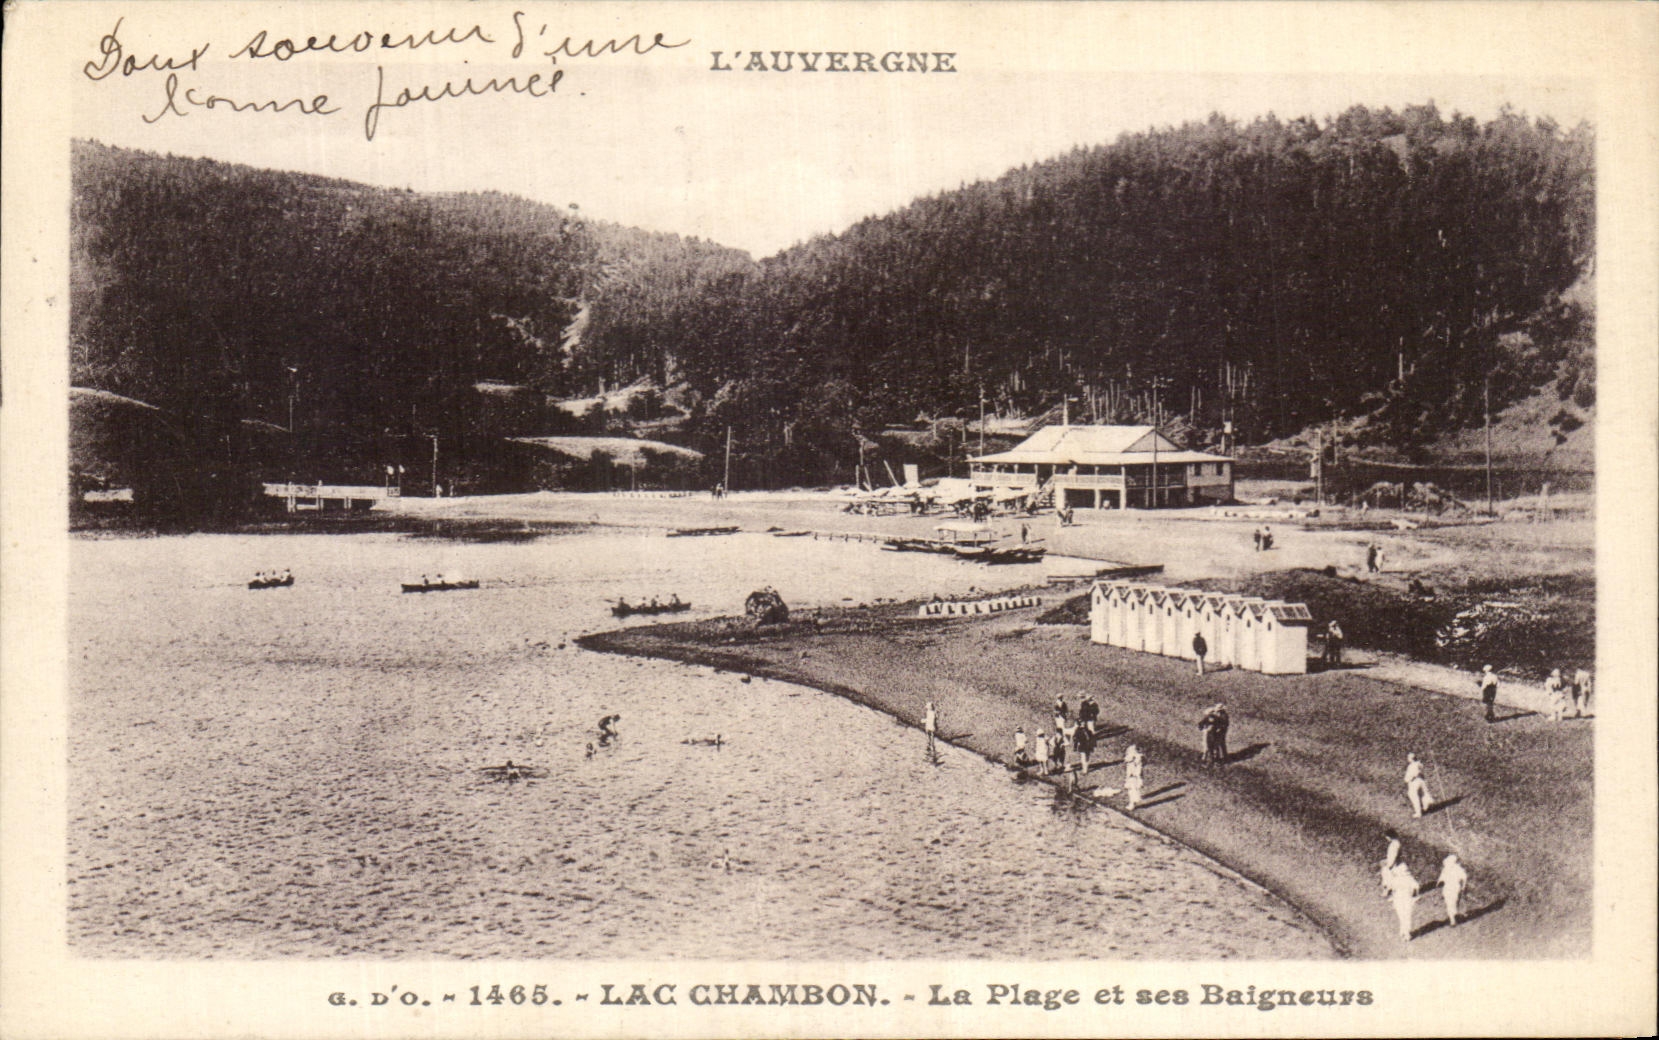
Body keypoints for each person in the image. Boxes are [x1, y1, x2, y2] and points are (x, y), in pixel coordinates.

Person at [1383, 860, 1420, 941]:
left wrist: (1414, 893)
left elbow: (1416, 887)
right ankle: (1404, 930)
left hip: (1405, 899)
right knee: (1403, 915)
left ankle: (1406, 932)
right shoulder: (1398, 879)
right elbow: (1389, 887)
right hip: (1400, 899)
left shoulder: (1407, 879)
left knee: (1405, 915)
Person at [1438, 853, 1469, 927]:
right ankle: (1454, 917)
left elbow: (1440, 880)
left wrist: (1438, 884)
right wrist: (1463, 886)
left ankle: (1453, 919)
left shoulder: (1445, 869)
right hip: (1456, 887)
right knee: (1455, 902)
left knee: (1449, 903)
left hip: (1448, 888)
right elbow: (1464, 877)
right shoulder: (1458, 868)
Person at [1404, 753, 1432, 818]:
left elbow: (1411, 776)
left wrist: (1407, 780)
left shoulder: (1411, 766)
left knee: (1413, 795)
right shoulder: (1419, 764)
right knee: (1423, 794)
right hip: (1422, 781)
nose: (1407, 759)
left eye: (1408, 758)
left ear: (1411, 759)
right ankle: (1426, 806)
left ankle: (1418, 812)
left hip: (1415, 782)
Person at [1379, 830, 1402, 896]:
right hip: (1394, 863)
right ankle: (1389, 891)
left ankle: (1388, 892)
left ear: (1390, 836)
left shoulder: (1394, 845)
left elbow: (1393, 856)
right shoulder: (1396, 843)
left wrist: (1389, 865)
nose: (1386, 838)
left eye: (1387, 837)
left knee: (1387, 877)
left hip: (1392, 864)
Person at [1124, 744, 1144, 809]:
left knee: (1132, 790)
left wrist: (1136, 776)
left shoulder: (1135, 761)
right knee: (1132, 790)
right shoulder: (1134, 760)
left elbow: (1138, 771)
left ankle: (1132, 804)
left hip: (1133, 778)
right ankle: (1133, 801)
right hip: (1132, 777)